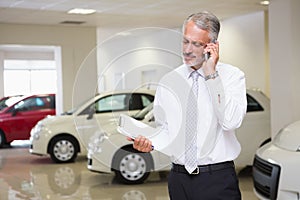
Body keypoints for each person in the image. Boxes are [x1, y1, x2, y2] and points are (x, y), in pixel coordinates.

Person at [129, 11, 247, 200]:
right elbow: (166, 129)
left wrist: (211, 75)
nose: (187, 50)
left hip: (217, 179)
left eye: (196, 44)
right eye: (185, 41)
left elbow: (230, 122)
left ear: (212, 46)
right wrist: (150, 143)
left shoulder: (232, 76)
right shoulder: (169, 81)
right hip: (178, 179)